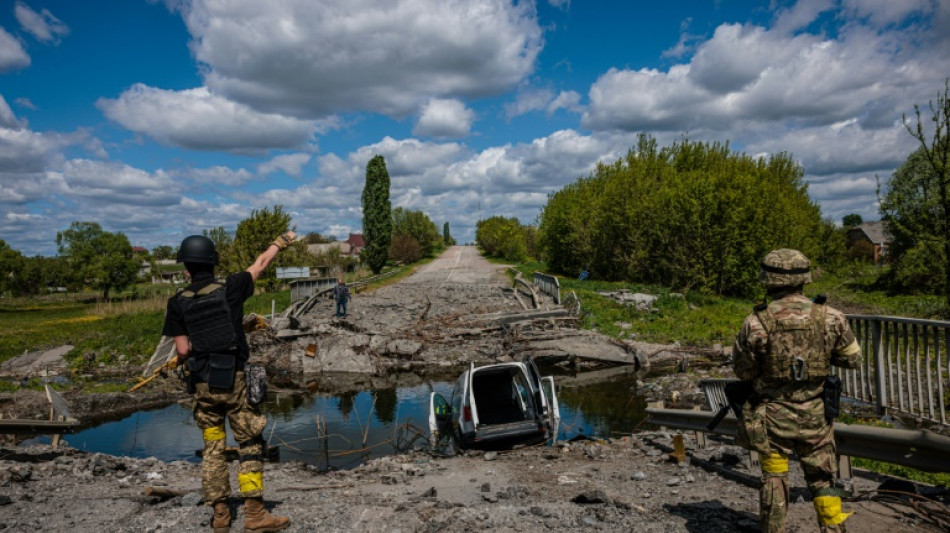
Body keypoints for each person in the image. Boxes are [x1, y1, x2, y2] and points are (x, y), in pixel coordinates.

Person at [163, 232, 295, 533]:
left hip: (201, 383)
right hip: (232, 380)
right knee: (249, 443)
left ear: (186, 268)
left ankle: (221, 516)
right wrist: (278, 242)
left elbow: (182, 350)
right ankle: (255, 515)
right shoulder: (232, 287)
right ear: (213, 263)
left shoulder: (177, 302)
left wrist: (198, 348)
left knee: (212, 446)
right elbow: (260, 265)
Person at [733, 249, 862, 533]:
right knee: (822, 482)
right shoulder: (832, 317)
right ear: (805, 278)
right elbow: (853, 359)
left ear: (767, 280)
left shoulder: (755, 322)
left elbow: (743, 371)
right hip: (816, 416)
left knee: (774, 479)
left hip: (773, 418)